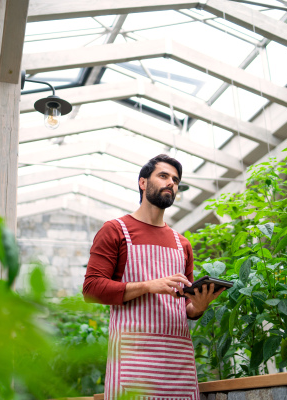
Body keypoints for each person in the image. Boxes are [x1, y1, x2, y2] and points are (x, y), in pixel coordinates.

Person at [83, 154, 225, 399]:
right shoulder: (115, 230)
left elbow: (187, 306)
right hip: (132, 362)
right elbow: (92, 289)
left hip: (178, 365)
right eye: (163, 176)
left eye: (176, 180)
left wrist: (199, 306)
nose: (171, 182)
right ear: (142, 183)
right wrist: (149, 285)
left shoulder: (183, 244)